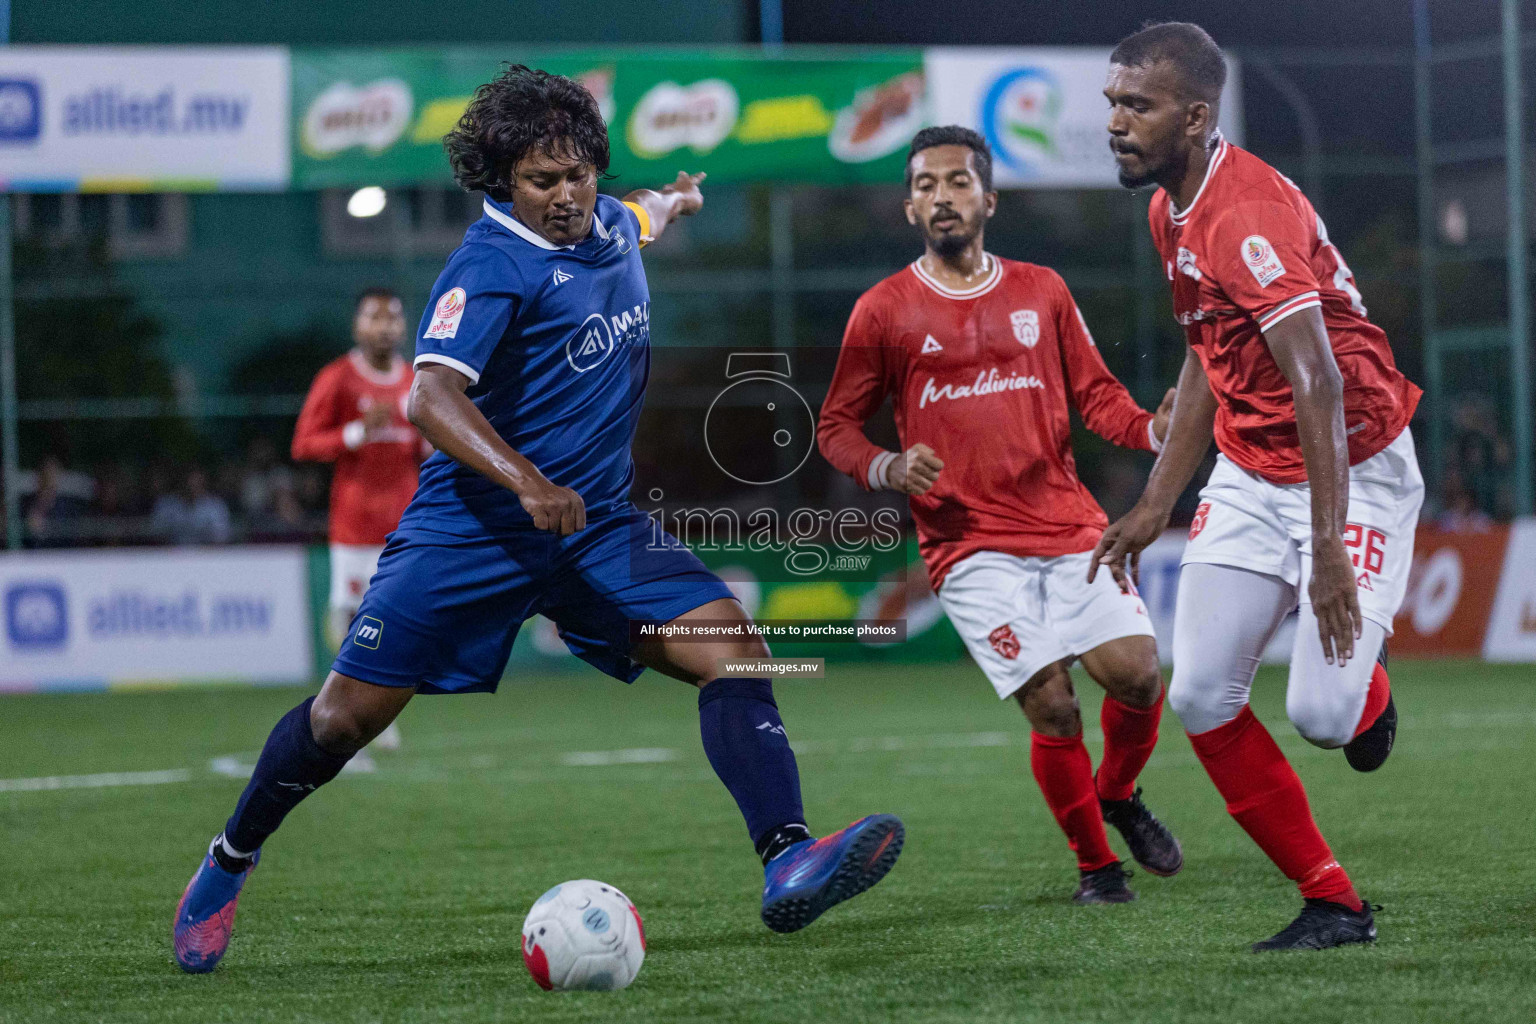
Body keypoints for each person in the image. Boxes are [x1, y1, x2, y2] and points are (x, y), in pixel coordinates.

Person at [172, 65, 902, 974]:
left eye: (576, 175)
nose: (564, 197)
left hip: (593, 527)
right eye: (540, 181)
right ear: (502, 183)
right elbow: (430, 397)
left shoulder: (609, 221)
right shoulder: (489, 265)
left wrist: (673, 199)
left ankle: (789, 857)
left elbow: (640, 214)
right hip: (473, 530)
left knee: (739, 650)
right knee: (343, 720)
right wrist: (524, 481)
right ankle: (227, 861)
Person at [1094, 22, 1423, 951]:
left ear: (1196, 118)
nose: (1116, 122)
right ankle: (1335, 904)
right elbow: (1208, 352)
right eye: (1113, 103)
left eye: (1138, 106)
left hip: (1352, 468)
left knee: (1322, 716)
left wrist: (1325, 554)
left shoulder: (1242, 214)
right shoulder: (1171, 207)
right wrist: (1160, 499)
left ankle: (1367, 691)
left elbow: (1316, 380)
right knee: (1201, 696)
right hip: (1251, 467)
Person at [818, 126, 1180, 904]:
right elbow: (835, 427)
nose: (940, 196)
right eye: (924, 185)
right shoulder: (882, 311)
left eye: (955, 182)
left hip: (1068, 525)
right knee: (1052, 705)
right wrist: (885, 465)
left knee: (1141, 679)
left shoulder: (1042, 290)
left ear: (988, 198)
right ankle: (1097, 868)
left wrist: (1153, 428)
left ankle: (1116, 793)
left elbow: (1097, 396)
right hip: (968, 546)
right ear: (909, 207)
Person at [290, 287, 423, 755]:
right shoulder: (338, 378)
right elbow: (304, 443)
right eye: (374, 317)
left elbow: (425, 449)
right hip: (353, 525)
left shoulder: (417, 380)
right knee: (353, 624)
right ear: (358, 326)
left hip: (406, 525)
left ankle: (380, 715)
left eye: (393, 317)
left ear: (404, 326)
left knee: (399, 622)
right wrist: (354, 432)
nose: (384, 325)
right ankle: (342, 717)